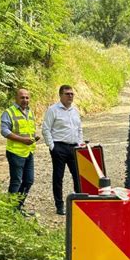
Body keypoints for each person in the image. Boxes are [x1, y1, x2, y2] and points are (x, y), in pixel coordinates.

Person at [42, 85, 83, 216]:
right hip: (59, 147)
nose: (70, 96)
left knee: (77, 176)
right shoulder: (53, 110)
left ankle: (80, 202)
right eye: (67, 94)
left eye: (71, 94)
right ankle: (59, 205)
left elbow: (79, 129)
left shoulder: (75, 110)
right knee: (58, 177)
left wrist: (80, 143)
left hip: (74, 147)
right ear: (60, 95)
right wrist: (52, 146)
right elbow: (46, 129)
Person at [0, 88, 39, 211]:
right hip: (15, 152)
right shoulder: (9, 112)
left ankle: (18, 207)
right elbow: (4, 131)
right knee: (16, 182)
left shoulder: (29, 112)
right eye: (22, 97)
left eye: (27, 97)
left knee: (29, 181)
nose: (25, 100)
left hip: (28, 151)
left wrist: (34, 137)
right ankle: (11, 209)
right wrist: (22, 140)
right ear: (16, 98)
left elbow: (29, 130)